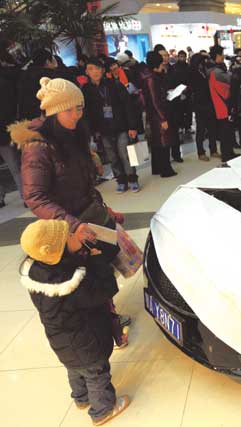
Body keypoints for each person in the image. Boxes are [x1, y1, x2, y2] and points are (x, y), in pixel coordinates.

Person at [9, 76, 132, 336]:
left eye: (79, 108)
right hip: (68, 227)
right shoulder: (37, 147)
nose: (76, 115)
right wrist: (73, 225)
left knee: (101, 272)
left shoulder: (73, 135)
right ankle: (102, 330)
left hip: (88, 216)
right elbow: (35, 197)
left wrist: (104, 209)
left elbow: (84, 184)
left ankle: (110, 319)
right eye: (69, 109)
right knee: (85, 280)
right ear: (53, 111)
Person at [19, 219, 130, 425]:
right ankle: (103, 410)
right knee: (96, 372)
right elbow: (105, 291)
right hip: (85, 341)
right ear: (56, 251)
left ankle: (81, 398)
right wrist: (97, 261)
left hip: (60, 341)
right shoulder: (72, 283)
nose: (74, 235)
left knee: (74, 369)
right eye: (69, 236)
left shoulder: (39, 272)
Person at [82, 57, 140, 193]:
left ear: (102, 70)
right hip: (103, 129)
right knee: (112, 156)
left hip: (121, 126)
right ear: (86, 72)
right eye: (91, 69)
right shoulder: (86, 90)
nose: (95, 72)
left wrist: (132, 126)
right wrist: (91, 132)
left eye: (97, 69)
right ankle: (121, 180)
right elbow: (87, 113)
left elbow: (128, 106)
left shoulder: (114, 84)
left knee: (124, 153)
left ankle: (132, 178)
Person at [140, 51, 178, 178]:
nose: (163, 65)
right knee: (163, 140)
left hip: (154, 113)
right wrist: (162, 118)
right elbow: (155, 100)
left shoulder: (149, 76)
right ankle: (166, 169)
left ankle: (157, 168)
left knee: (157, 142)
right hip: (158, 114)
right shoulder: (151, 78)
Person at [207, 45, 236, 162]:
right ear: (218, 56)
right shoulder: (217, 72)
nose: (224, 56)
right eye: (222, 54)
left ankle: (228, 153)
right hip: (222, 105)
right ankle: (227, 155)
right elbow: (230, 82)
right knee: (225, 132)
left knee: (226, 132)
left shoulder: (211, 70)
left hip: (219, 105)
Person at [0, 62, 22, 208]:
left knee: (14, 164)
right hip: (5, 130)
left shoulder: (5, 84)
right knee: (14, 164)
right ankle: (26, 195)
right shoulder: (6, 83)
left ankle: (26, 195)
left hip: (4, 130)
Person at [189, 53, 218, 161]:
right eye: (201, 61)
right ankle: (201, 152)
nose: (204, 63)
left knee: (212, 128)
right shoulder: (192, 73)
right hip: (199, 104)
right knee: (201, 129)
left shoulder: (205, 71)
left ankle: (213, 149)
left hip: (209, 102)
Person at [18, 48, 59, 120]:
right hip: (44, 119)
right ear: (47, 61)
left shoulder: (24, 75)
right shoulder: (50, 76)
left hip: (27, 118)